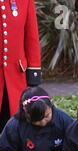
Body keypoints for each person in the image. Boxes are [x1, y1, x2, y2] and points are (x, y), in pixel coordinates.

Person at [0, 0, 42, 133]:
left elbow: (32, 36)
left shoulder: (25, 1)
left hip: (16, 76)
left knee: (15, 123)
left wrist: (34, 72)